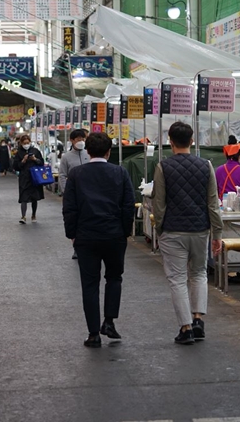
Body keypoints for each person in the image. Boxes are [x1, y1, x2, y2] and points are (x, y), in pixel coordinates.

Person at [62, 132, 136, 348]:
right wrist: (124, 231)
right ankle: (110, 321)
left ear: (87, 151)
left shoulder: (76, 174)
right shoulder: (120, 173)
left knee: (90, 284)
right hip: (114, 235)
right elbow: (128, 204)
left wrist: (72, 234)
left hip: (86, 236)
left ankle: (93, 333)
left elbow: (70, 208)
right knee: (114, 278)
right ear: (109, 151)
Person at [152, 122, 223, 345]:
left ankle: (186, 328)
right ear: (192, 141)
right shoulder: (207, 166)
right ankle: (198, 319)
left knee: (177, 280)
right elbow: (213, 203)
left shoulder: (163, 167)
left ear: (170, 142)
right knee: (199, 274)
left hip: (173, 231)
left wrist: (159, 229)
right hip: (200, 230)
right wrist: (217, 233)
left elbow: (159, 204)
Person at [59, 129, 89, 259]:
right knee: (74, 221)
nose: (81, 142)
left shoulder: (89, 154)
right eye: (78, 139)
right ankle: (76, 247)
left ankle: (87, 245)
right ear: (71, 141)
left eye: (83, 139)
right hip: (73, 194)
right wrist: (65, 192)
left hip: (89, 194)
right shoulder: (66, 157)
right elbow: (62, 175)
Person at [12, 134, 45, 224]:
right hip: (24, 178)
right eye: (24, 143)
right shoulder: (19, 153)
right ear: (21, 143)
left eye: (28, 142)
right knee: (24, 197)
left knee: (34, 197)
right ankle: (23, 216)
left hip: (35, 177)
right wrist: (23, 161)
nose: (26, 144)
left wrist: (35, 159)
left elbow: (41, 163)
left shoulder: (36, 151)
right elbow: (15, 166)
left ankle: (33, 214)